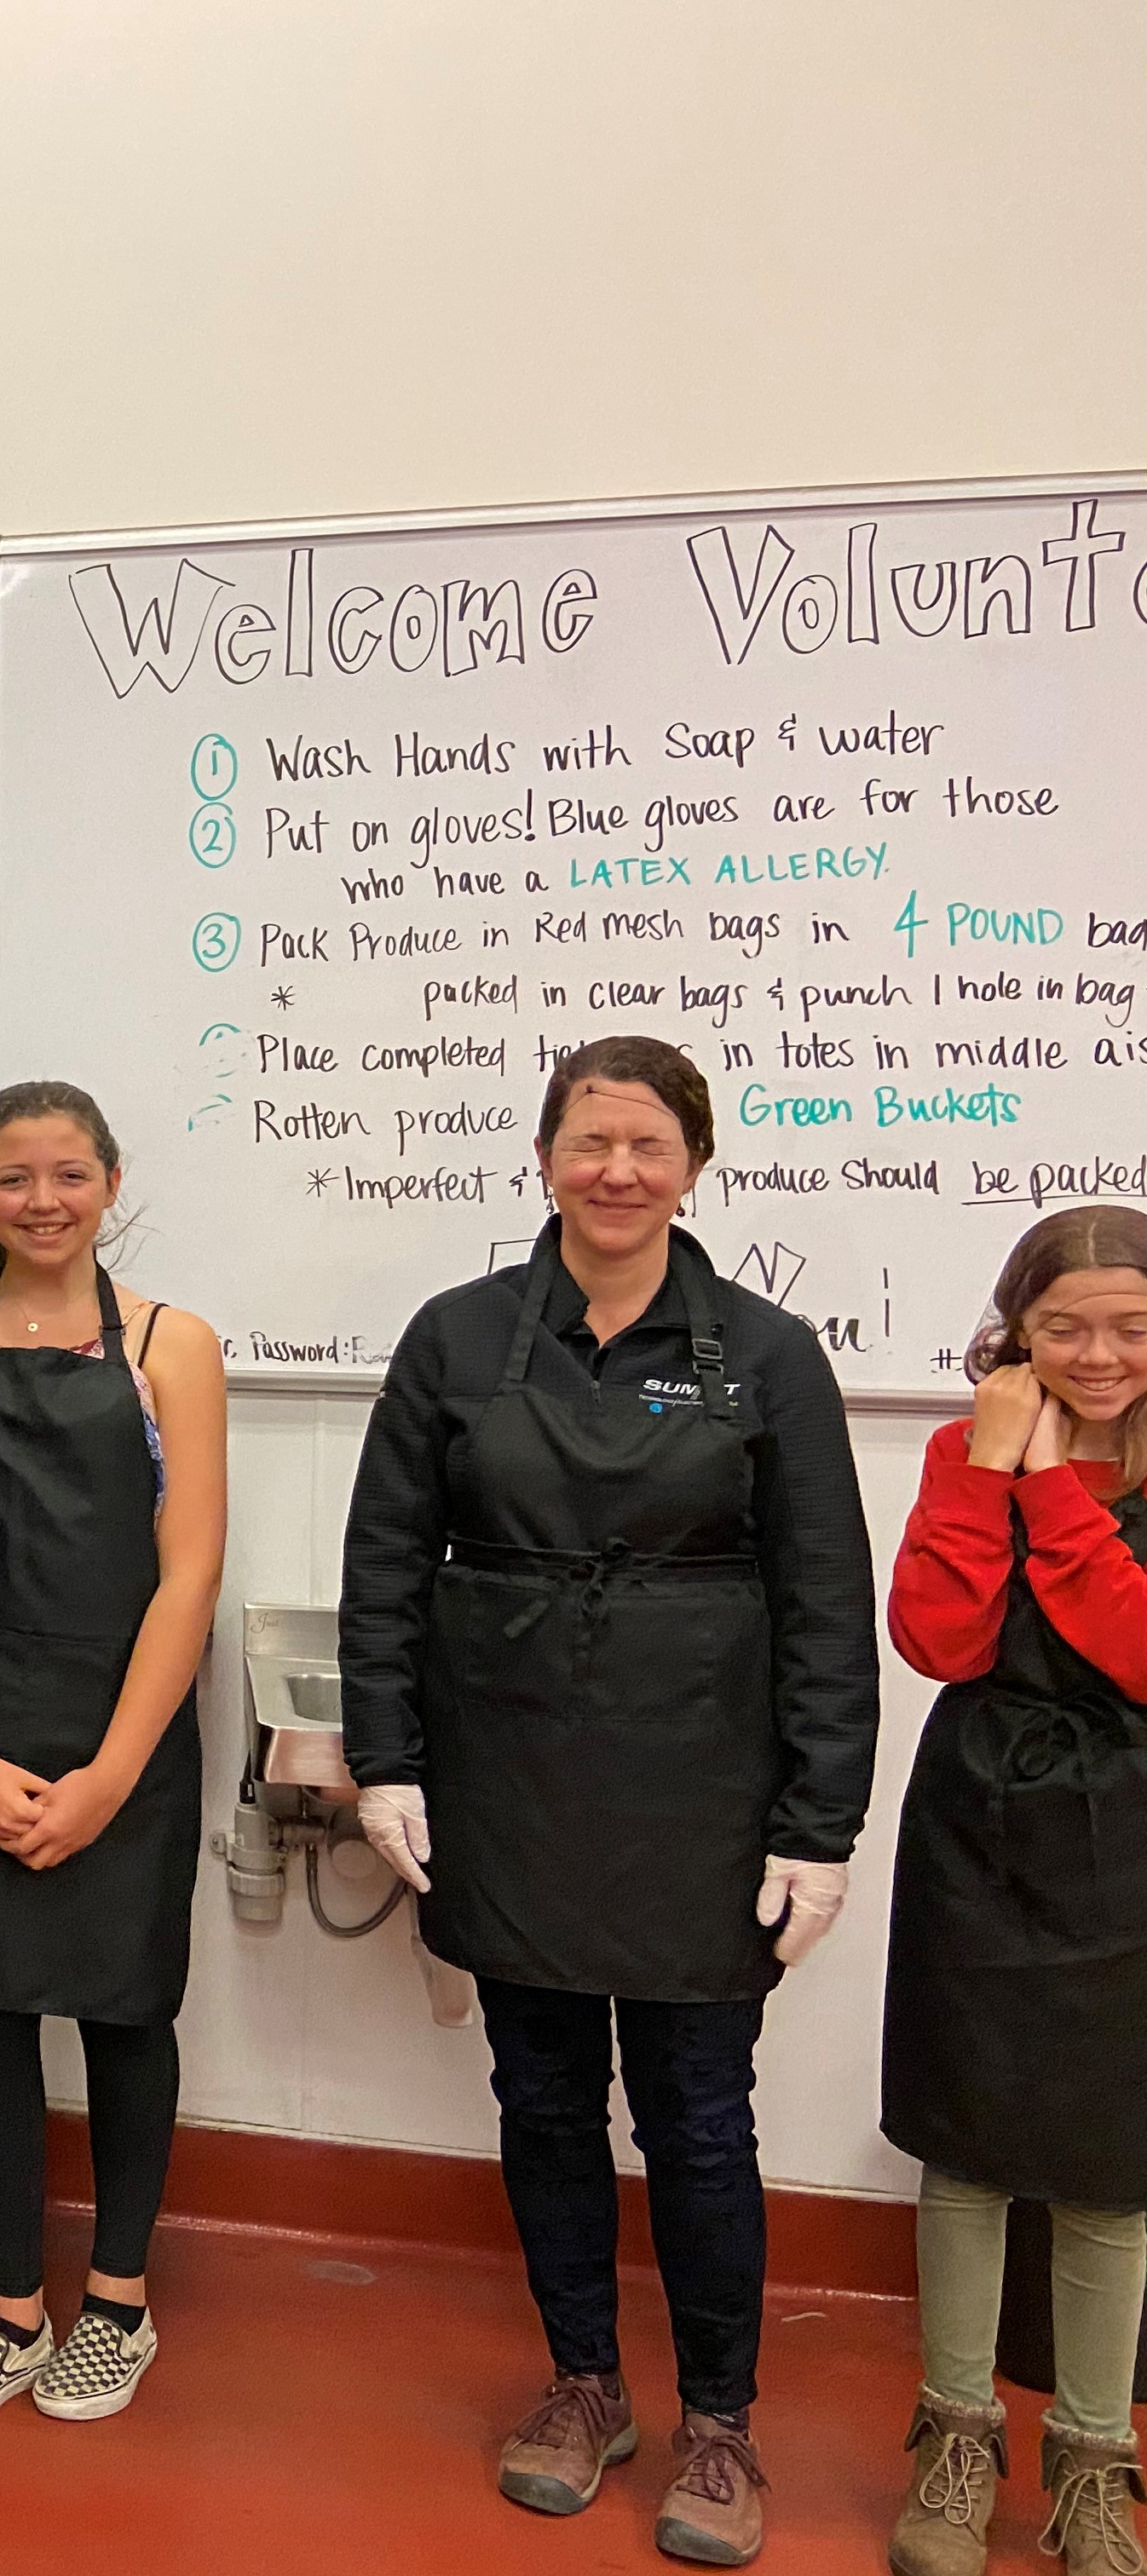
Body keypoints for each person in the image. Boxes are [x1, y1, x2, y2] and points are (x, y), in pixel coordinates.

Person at [338, 1035, 877, 2569]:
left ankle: (720, 2421)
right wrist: (388, 1759)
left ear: (693, 1165)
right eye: (589, 1141)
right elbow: (384, 1568)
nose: (617, 1171)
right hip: (505, 1780)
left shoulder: (768, 1354)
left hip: (706, 1798)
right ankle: (583, 2382)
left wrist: (820, 1826)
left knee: (701, 2119)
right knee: (543, 2101)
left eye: (648, 1144)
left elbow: (827, 1603)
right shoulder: (455, 1338)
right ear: (544, 1158)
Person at [0, 1081, 226, 2434]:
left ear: (110, 1182)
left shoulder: (172, 1344)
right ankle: (15, 2310)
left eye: (70, 1174)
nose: (43, 1201)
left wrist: (113, 1775)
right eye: (15, 1177)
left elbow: (188, 1573)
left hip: (124, 1721)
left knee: (127, 2010)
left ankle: (120, 2301)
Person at [879, 1205, 1147, 2576]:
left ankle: (1096, 2460)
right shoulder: (962, 1448)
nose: (1098, 1356)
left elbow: (1138, 1646)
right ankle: (957, 2441)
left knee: (1114, 2163)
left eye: (1131, 1329)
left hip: (1130, 1833)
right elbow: (937, 1637)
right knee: (968, 2144)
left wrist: (1049, 1489)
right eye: (1064, 1328)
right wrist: (990, 1469)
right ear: (1017, 1331)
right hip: (979, 1823)